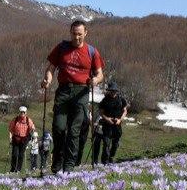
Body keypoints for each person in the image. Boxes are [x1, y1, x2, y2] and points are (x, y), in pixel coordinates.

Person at [41, 20, 104, 173]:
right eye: (74, 34)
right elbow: (51, 68)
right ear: (70, 33)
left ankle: (69, 167)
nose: (76, 37)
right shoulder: (62, 48)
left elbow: (100, 74)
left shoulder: (92, 51)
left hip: (81, 92)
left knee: (75, 131)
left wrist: (95, 80)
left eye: (80, 34)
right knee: (59, 127)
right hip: (63, 91)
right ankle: (57, 162)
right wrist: (48, 80)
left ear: (85, 33)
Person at [92, 81, 128, 165]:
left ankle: (111, 158)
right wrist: (107, 119)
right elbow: (101, 112)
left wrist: (120, 120)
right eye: (111, 91)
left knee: (115, 144)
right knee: (106, 144)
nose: (113, 92)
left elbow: (125, 111)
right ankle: (105, 162)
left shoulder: (121, 100)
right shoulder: (105, 100)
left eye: (114, 91)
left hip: (117, 125)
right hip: (107, 125)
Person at [8, 106, 35, 173]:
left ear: (26, 113)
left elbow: (32, 128)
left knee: (21, 155)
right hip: (16, 138)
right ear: (19, 112)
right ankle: (13, 169)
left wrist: (32, 133)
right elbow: (10, 129)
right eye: (21, 112)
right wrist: (10, 137)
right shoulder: (15, 120)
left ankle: (18, 170)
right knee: (14, 154)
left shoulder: (28, 120)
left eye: (23, 112)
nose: (22, 113)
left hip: (24, 139)